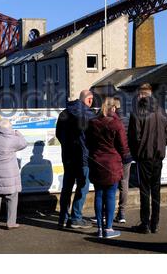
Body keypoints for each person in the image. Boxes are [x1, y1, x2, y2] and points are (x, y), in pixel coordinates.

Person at [128, 83, 167, 234]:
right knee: (156, 190)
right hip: (158, 156)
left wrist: (136, 154)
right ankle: (155, 224)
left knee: (145, 190)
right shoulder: (162, 111)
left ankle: (145, 224)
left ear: (141, 95)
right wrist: (160, 147)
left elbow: (134, 137)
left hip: (144, 157)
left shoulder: (137, 111)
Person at [87, 97, 132, 238]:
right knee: (111, 195)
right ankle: (109, 229)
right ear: (113, 108)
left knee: (99, 194)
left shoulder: (92, 122)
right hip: (112, 162)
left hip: (97, 162)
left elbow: (88, 142)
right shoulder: (116, 124)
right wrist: (126, 157)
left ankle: (100, 228)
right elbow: (123, 146)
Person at [55, 89, 96, 229]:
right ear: (89, 100)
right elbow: (93, 138)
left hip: (67, 156)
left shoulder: (64, 113)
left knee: (66, 187)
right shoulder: (89, 116)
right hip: (83, 157)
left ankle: (63, 218)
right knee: (82, 187)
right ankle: (76, 217)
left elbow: (59, 135)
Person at [113, 97, 132, 224]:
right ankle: (122, 212)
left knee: (110, 184)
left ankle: (105, 212)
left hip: (114, 156)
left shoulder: (111, 120)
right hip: (127, 155)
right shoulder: (128, 118)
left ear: (113, 107)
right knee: (124, 183)